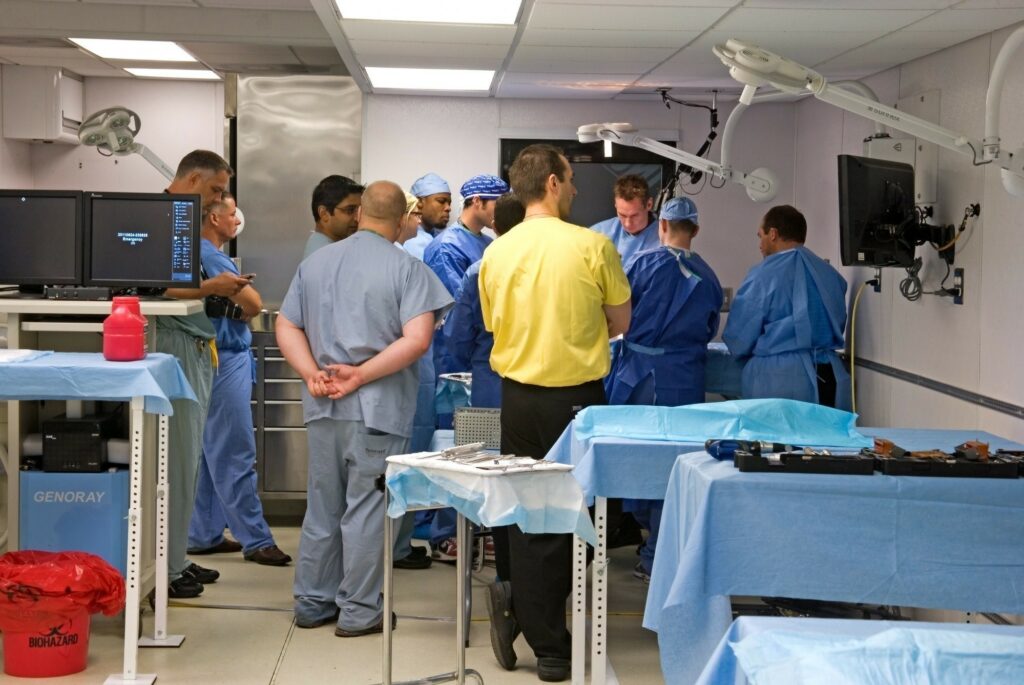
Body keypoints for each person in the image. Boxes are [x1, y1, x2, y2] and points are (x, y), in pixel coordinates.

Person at [479, 144, 631, 682]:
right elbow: (619, 322)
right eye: (569, 180)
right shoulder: (593, 246)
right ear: (550, 183)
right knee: (572, 516)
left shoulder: (496, 252)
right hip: (575, 399)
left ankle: (519, 603)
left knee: (526, 511)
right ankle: (549, 643)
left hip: (517, 397)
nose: (574, 189)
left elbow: (496, 325)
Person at [276, 181, 452, 635]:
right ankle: (359, 611)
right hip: (377, 411)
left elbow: (286, 324)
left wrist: (311, 372)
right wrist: (360, 375)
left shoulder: (315, 263)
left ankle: (313, 602)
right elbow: (418, 339)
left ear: (359, 215)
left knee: (323, 506)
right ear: (399, 222)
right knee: (368, 510)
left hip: (322, 408)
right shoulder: (406, 269)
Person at [605, 196, 723, 583]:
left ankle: (643, 540)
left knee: (632, 460)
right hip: (684, 380)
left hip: (638, 375)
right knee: (676, 466)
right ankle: (659, 550)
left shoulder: (641, 263)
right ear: (697, 230)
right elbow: (708, 330)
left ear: (661, 226)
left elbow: (618, 315)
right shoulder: (709, 277)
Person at [159, 150, 254, 598]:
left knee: (188, 460)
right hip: (169, 348)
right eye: (216, 190)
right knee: (172, 462)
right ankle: (167, 566)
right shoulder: (160, 218)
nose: (219, 201)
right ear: (194, 178)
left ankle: (176, 557)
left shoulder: (181, 221)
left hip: (195, 346)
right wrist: (212, 288)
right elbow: (155, 288)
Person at [187, 193, 291, 567]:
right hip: (223, 358)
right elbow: (252, 303)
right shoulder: (211, 255)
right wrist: (240, 308)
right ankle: (256, 538)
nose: (237, 219)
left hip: (205, 357)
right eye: (232, 213)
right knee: (233, 451)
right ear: (214, 219)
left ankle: (201, 533)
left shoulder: (190, 252)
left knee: (207, 452)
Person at [723, 204, 851, 409]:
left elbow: (740, 335)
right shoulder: (830, 274)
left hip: (780, 379)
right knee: (822, 439)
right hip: (831, 376)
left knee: (776, 440)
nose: (760, 244)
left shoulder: (763, 275)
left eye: (760, 236)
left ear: (773, 234)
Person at [445, 192, 525, 409]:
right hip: (541, 379)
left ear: (494, 226)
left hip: (491, 376)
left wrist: (474, 359)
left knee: (491, 441)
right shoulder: (548, 268)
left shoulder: (478, 272)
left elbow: (457, 334)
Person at [590, 173, 661, 264]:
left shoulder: (664, 240)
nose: (627, 224)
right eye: (622, 215)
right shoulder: (598, 233)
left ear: (649, 204)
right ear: (615, 205)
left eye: (634, 215)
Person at [303, 175, 364, 260]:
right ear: (324, 214)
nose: (358, 218)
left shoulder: (323, 247)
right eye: (350, 210)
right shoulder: (325, 256)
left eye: (361, 210)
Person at [402, 173, 452, 261]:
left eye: (449, 203)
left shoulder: (439, 236)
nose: (448, 208)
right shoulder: (412, 241)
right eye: (441, 201)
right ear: (419, 202)